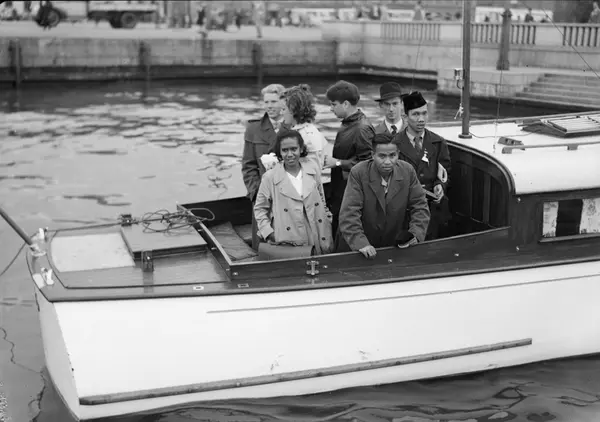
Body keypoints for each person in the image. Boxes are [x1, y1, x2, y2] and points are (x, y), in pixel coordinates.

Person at [337, 133, 430, 259]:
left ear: (398, 154)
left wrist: (415, 234)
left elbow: (420, 206)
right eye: (382, 156)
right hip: (356, 248)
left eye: (392, 156)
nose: (387, 162)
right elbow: (349, 213)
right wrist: (361, 244)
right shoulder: (358, 172)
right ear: (372, 155)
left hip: (392, 246)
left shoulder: (407, 171)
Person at [254, 130, 333, 256]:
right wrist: (269, 233)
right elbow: (260, 208)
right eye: (285, 150)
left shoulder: (313, 170)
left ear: (301, 149)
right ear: (279, 152)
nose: (290, 154)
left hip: (316, 233)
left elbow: (321, 200)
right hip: (287, 239)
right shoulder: (270, 177)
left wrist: (327, 220)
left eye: (294, 149)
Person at [393, 91, 451, 240]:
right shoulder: (394, 145)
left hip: (433, 211)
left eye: (424, 113)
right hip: (405, 212)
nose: (421, 119)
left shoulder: (438, 143)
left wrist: (440, 185)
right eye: (416, 114)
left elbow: (445, 171)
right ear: (405, 117)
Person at [323, 80, 375, 235]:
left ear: (345, 104)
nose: (331, 108)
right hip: (342, 190)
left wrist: (337, 163)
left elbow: (368, 164)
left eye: (333, 104)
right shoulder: (349, 123)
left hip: (352, 194)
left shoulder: (362, 128)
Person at [242, 83, 287, 249]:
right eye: (266, 102)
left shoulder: (293, 126)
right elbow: (248, 165)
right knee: (261, 242)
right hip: (262, 195)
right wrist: (255, 192)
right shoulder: (253, 129)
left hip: (287, 194)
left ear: (284, 102)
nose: (269, 106)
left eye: (273, 101)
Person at [281, 84, 327, 182]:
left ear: (293, 110)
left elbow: (311, 171)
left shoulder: (305, 136)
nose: (282, 113)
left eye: (284, 109)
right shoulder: (312, 131)